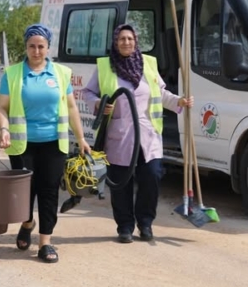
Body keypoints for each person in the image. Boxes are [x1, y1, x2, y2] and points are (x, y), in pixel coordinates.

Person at [82, 24, 193, 243]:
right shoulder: (106, 66)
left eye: (130, 39)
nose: (126, 43)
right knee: (121, 183)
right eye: (122, 39)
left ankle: (145, 223)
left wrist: (179, 101)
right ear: (116, 42)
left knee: (151, 178)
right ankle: (124, 226)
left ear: (136, 41)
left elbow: (160, 93)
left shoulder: (148, 64)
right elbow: (87, 92)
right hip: (119, 136)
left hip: (148, 136)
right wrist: (98, 104)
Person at [0, 24, 91, 264]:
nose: (36, 51)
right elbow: (1, 108)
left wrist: (80, 138)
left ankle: (45, 242)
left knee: (48, 192)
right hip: (22, 144)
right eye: (32, 46)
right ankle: (27, 222)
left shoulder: (61, 73)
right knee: (24, 193)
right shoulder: (13, 74)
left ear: (48, 48)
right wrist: (4, 129)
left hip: (53, 143)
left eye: (41, 46)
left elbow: (70, 107)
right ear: (25, 47)